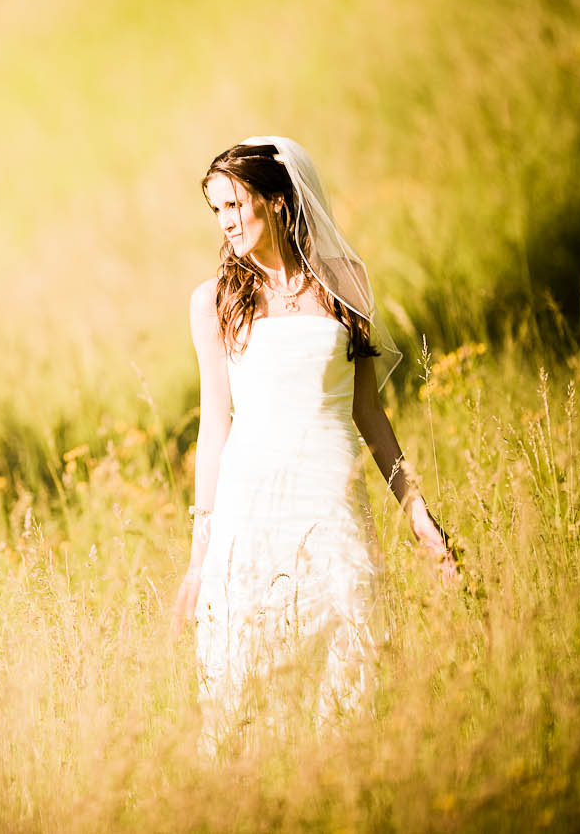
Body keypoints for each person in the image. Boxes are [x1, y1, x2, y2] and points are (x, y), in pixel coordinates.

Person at [170, 137, 457, 748]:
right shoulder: (213, 301)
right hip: (250, 503)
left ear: (276, 201)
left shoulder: (344, 282)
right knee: (236, 686)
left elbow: (369, 411)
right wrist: (200, 554)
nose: (225, 221)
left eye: (235, 204)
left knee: (353, 657)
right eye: (215, 209)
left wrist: (416, 510)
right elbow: (215, 423)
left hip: (331, 498)